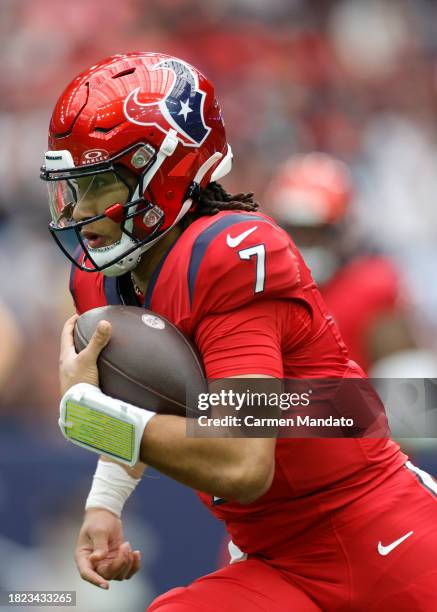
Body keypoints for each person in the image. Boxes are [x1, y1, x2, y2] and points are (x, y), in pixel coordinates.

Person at [41, 52, 437, 610]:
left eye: (100, 184)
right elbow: (149, 399)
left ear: (165, 171)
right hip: (275, 555)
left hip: (380, 534)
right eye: (74, 188)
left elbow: (240, 460)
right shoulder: (99, 282)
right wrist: (104, 501)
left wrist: (91, 416)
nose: (82, 210)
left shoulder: (230, 253)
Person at [264, 152, 416, 373]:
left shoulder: (370, 285)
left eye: (317, 232)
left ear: (343, 230)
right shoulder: (260, 289)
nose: (304, 244)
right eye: (295, 231)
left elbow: (405, 378)